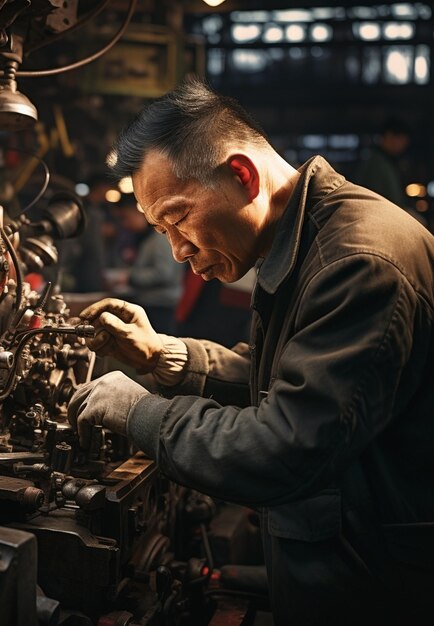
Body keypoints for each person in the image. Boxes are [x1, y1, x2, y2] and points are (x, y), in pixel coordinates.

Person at [67, 77, 434, 626]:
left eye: (178, 218)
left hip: (373, 583)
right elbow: (283, 380)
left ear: (240, 174)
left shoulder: (358, 262)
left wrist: (138, 412)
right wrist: (162, 357)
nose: (177, 250)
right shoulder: (308, 235)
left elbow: (284, 446)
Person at [112, 195, 184, 334]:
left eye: (125, 217)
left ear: (140, 212)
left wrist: (130, 277)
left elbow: (163, 274)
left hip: (160, 305)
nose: (125, 224)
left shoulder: (160, 239)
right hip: (154, 302)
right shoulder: (149, 237)